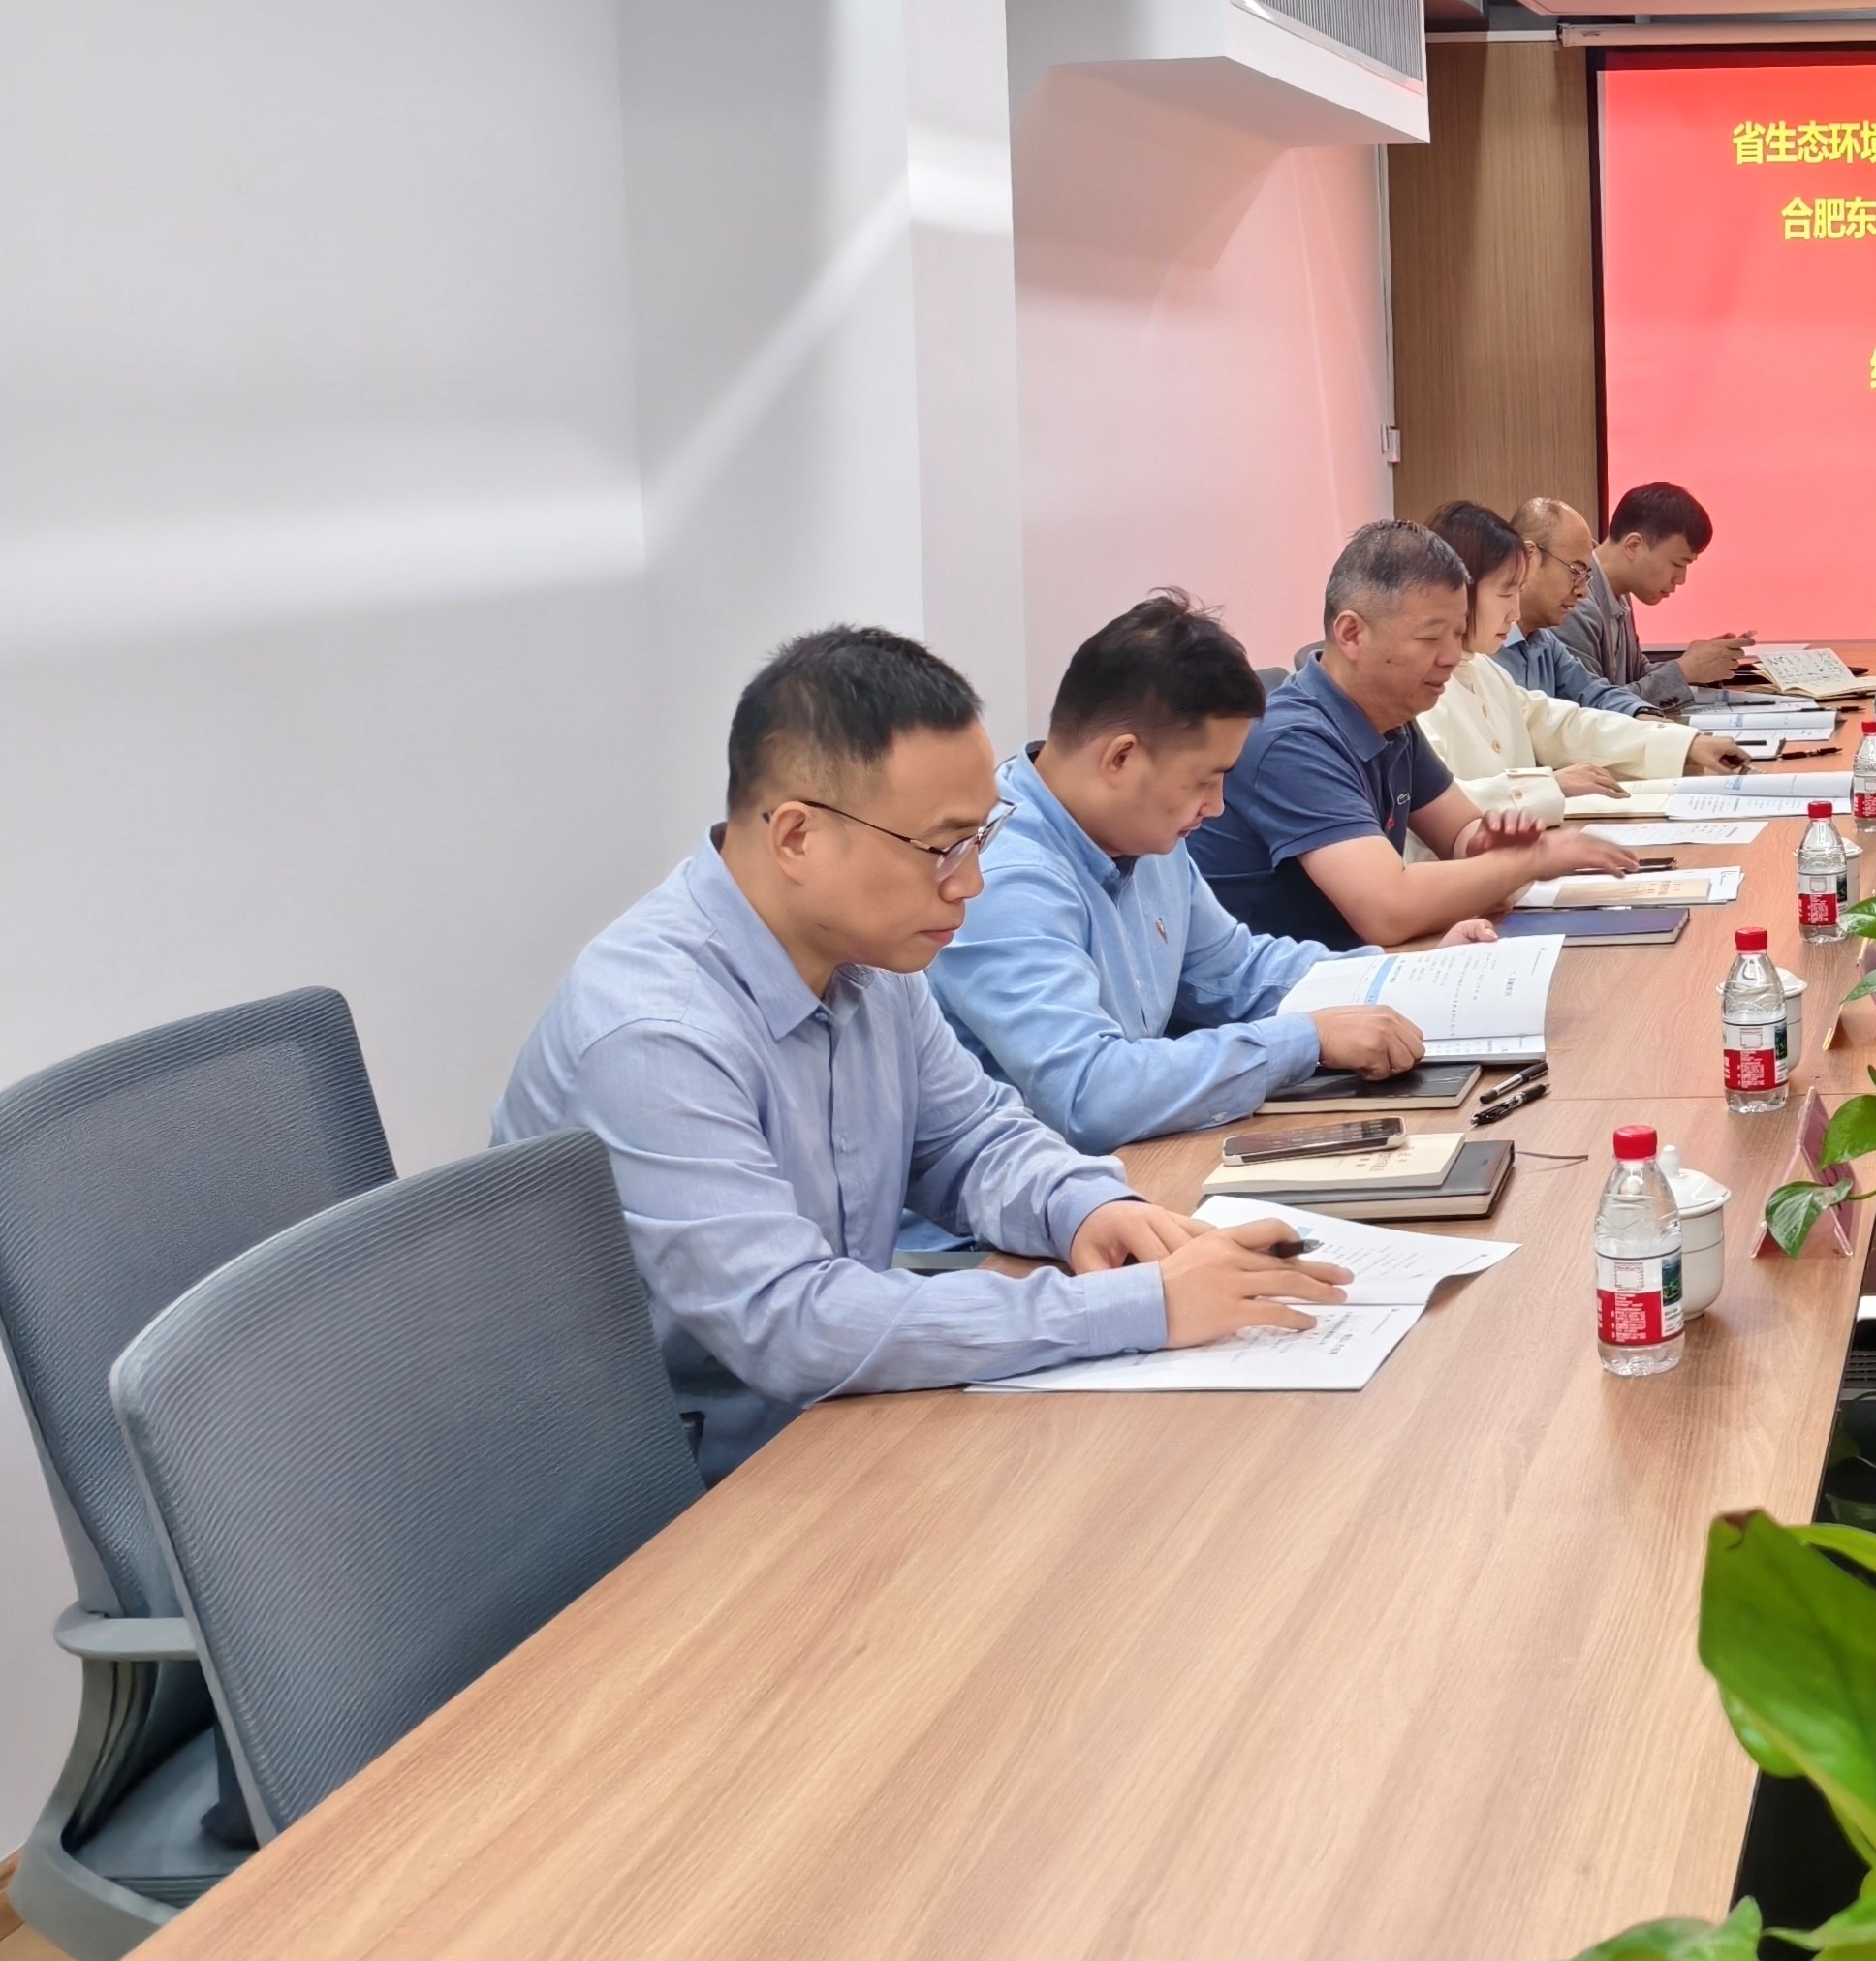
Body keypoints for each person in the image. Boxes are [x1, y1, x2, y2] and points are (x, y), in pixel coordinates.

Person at [494, 625, 1352, 1475]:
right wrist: (1133, 1307)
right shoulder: (658, 1034)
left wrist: (1089, 1209)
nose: (970, 883)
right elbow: (791, 1322)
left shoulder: (869, 958)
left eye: (981, 839)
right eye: (943, 847)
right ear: (796, 837)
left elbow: (971, 1140)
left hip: (839, 1425)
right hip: (680, 1488)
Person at [931, 593, 1487, 1155]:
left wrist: (1412, 978)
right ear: (1121, 758)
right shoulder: (1006, 878)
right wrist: (1308, 1038)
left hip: (1129, 1167)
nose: (1216, 806)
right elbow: (1090, 1095)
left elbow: (1236, 972)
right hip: (1032, 1198)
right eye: (1204, 779)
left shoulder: (1143, 833)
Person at [1192, 520, 1641, 945]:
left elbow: (1461, 832)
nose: (1451, 656)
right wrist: (1528, 861)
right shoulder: (1292, 740)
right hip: (1287, 990)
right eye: (1430, 638)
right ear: (1352, 634)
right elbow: (1388, 908)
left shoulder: (1393, 720)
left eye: (1459, 633)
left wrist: (1493, 848)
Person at [1418, 500, 1726, 809]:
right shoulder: (1418, 693)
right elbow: (1436, 806)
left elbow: (1569, 724)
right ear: (1457, 593)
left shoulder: (1486, 671)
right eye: (1506, 592)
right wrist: (1551, 785)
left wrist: (1682, 744)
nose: (1515, 612)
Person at [1561, 481, 1747, 712]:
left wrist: (1697, 664)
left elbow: (1637, 676)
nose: (1681, 579)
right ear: (1633, 546)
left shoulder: (1617, 592)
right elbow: (1592, 711)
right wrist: (1684, 671)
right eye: (1677, 563)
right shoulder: (1576, 604)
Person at [1503, 495, 1654, 714]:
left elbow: (1594, 692)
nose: (1583, 592)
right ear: (1528, 558)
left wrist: (1645, 715)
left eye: (1586, 576)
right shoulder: (1482, 649)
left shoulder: (1546, 642)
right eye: (1575, 571)